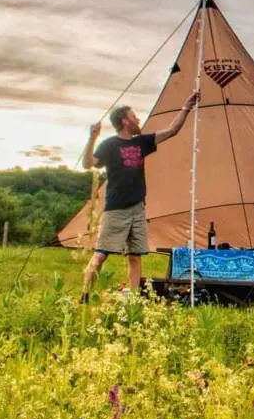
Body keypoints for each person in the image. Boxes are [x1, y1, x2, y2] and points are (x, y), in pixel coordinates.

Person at [80, 90, 200, 301]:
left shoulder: (141, 143)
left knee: (135, 256)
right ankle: (85, 295)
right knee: (101, 255)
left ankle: (133, 300)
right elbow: (88, 164)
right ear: (125, 121)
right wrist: (92, 138)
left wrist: (186, 107)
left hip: (137, 208)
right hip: (115, 209)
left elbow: (172, 130)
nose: (138, 119)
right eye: (134, 116)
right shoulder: (109, 145)